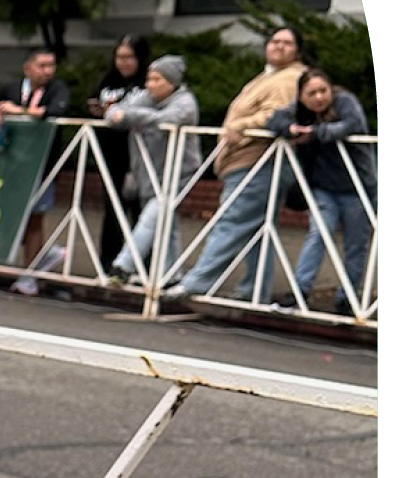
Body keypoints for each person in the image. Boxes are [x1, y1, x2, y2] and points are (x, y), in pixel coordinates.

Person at [166, 25, 307, 304]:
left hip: (257, 160)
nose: (278, 46)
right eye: (274, 41)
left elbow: (274, 116)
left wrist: (241, 126)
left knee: (230, 222)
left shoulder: (288, 79)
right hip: (251, 161)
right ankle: (254, 290)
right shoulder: (272, 76)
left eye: (286, 43)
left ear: (297, 51)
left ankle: (197, 282)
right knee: (257, 230)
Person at [266, 68, 377, 315]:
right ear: (302, 96)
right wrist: (291, 129)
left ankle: (348, 298)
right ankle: (299, 290)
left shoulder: (345, 101)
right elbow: (273, 120)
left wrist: (316, 133)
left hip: (357, 185)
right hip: (323, 186)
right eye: (311, 93)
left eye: (322, 91)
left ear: (331, 89)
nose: (318, 98)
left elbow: (352, 124)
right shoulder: (299, 109)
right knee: (319, 233)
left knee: (356, 244)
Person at [105, 55, 198, 287]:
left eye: (157, 79)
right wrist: (125, 114)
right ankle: (170, 274)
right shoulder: (144, 97)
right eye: (149, 78)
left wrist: (129, 117)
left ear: (171, 82)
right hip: (148, 171)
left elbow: (168, 119)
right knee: (166, 222)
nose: (150, 84)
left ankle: (124, 264)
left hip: (178, 171)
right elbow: (112, 113)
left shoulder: (185, 101)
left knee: (153, 215)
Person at [0, 47, 71, 294]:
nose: (47, 71)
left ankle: (29, 275)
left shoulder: (57, 89)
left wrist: (19, 111)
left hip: (43, 165)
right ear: (28, 68)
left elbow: (57, 111)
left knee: (35, 218)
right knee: (11, 217)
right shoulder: (11, 89)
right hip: (12, 164)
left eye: (51, 66)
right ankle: (43, 258)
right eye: (42, 66)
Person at [88, 35, 150, 270]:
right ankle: (109, 262)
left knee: (139, 210)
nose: (123, 63)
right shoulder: (107, 82)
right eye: (119, 57)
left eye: (129, 58)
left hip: (136, 154)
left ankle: (140, 264)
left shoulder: (144, 84)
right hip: (110, 154)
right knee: (113, 209)